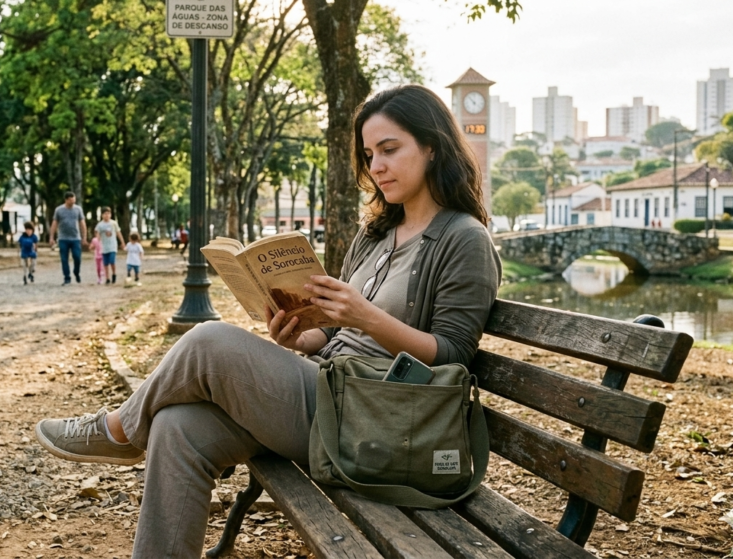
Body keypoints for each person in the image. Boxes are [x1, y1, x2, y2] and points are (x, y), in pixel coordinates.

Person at [33, 85, 501, 558]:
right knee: (177, 427)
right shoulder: (376, 232)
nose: (376, 166)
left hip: (378, 420)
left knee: (209, 339)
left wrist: (367, 317)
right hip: (329, 394)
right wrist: (302, 335)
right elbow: (339, 334)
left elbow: (453, 355)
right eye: (368, 153)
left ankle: (118, 430)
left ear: (432, 146)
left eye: (389, 149)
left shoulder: (464, 239)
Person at [49, 192, 86, 285]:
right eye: (71, 200)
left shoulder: (78, 209)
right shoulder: (59, 210)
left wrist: (84, 237)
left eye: (74, 200)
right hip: (63, 238)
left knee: (77, 257)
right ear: (66, 200)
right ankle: (67, 277)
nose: (73, 202)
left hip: (75, 238)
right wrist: (51, 237)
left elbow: (82, 223)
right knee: (64, 259)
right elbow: (54, 223)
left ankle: (76, 272)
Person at [95, 208, 125, 284]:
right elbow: (97, 235)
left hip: (112, 246)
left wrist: (122, 242)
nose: (106, 215)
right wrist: (97, 243)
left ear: (110, 214)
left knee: (112, 261)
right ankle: (107, 278)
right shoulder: (100, 225)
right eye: (105, 214)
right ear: (102, 215)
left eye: (108, 214)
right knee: (105, 263)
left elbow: (118, 233)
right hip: (104, 247)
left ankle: (114, 274)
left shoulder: (114, 223)